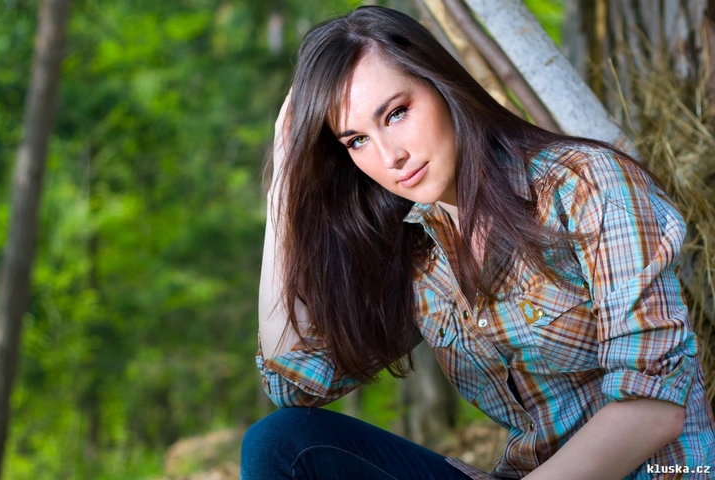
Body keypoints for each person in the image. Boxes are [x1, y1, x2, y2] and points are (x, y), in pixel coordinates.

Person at [240, 5, 715, 479]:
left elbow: (653, 407)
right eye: (356, 141)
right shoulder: (414, 251)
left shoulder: (584, 184)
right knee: (280, 443)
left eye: (397, 113)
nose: (390, 156)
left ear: (441, 83)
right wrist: (284, 184)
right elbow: (294, 383)